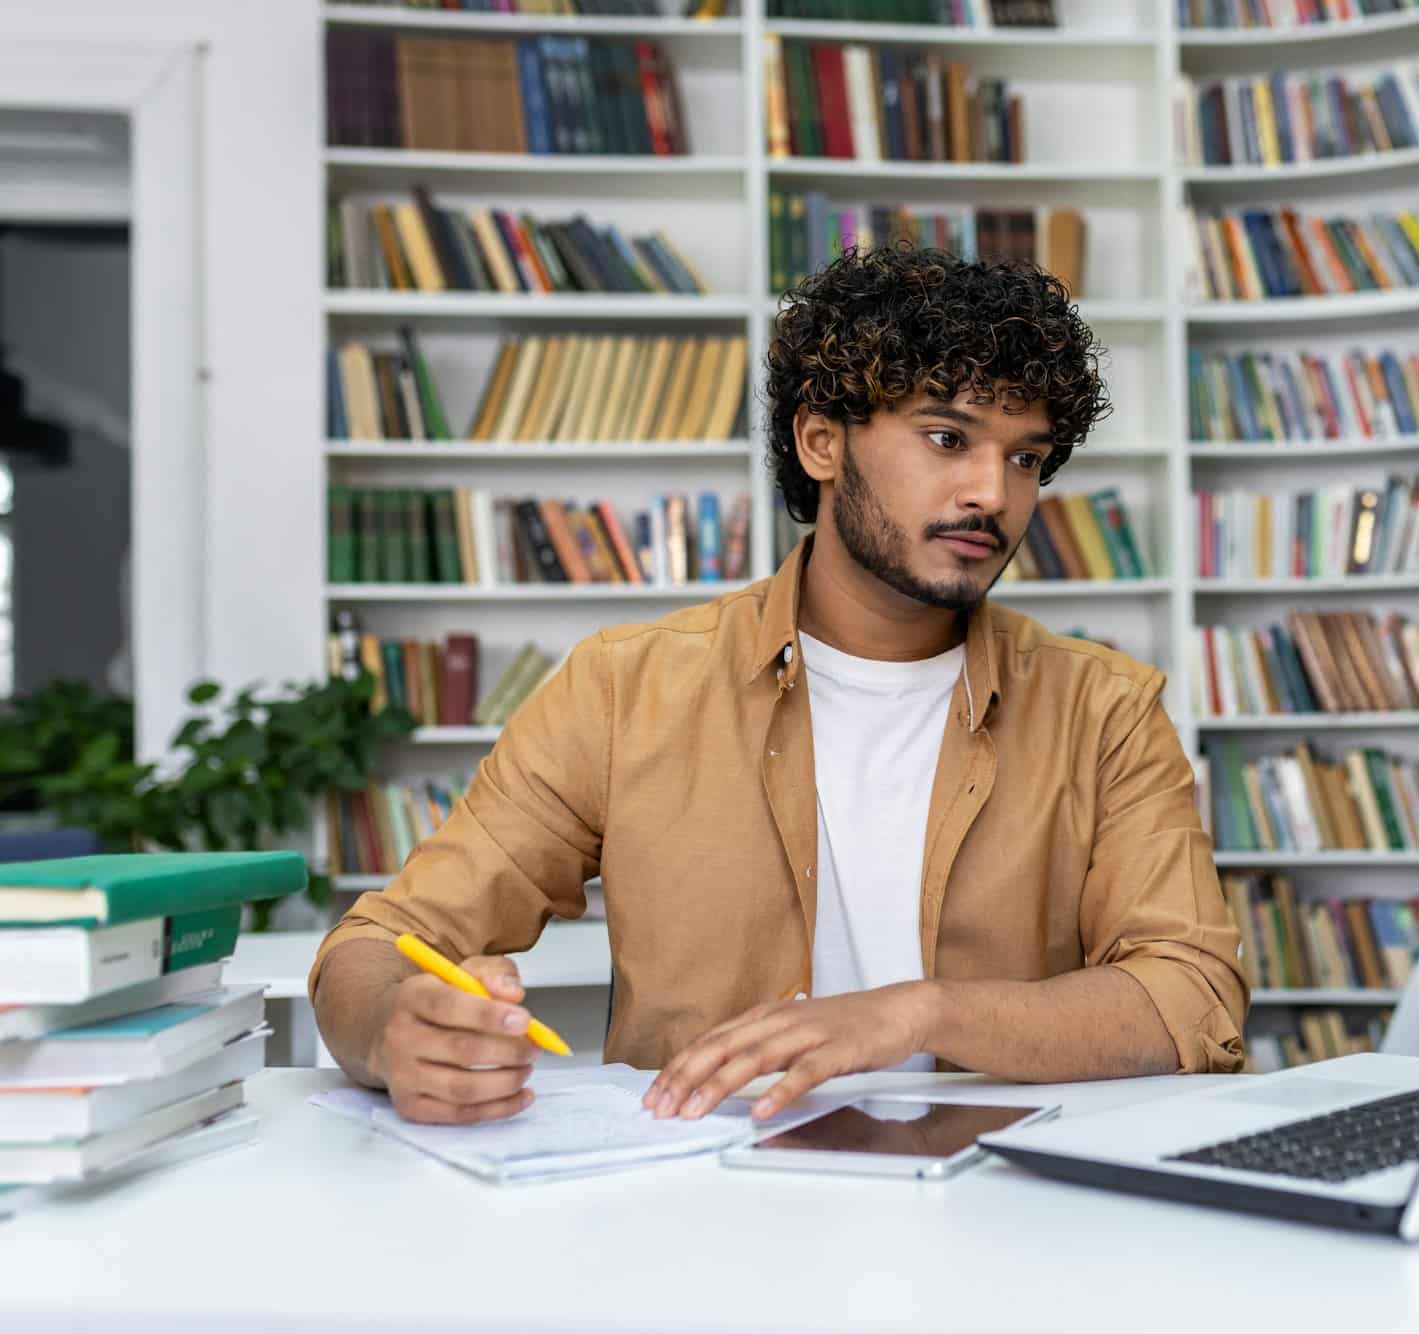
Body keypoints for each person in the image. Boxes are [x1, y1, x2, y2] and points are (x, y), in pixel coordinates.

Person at [309, 246, 1247, 1127]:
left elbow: (1190, 997)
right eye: (946, 436)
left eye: (1025, 458)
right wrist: (399, 1037)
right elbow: (375, 947)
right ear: (820, 442)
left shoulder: (1104, 711)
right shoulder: (626, 688)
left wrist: (916, 1015)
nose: (993, 495)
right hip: (705, 1220)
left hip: (995, 1224)